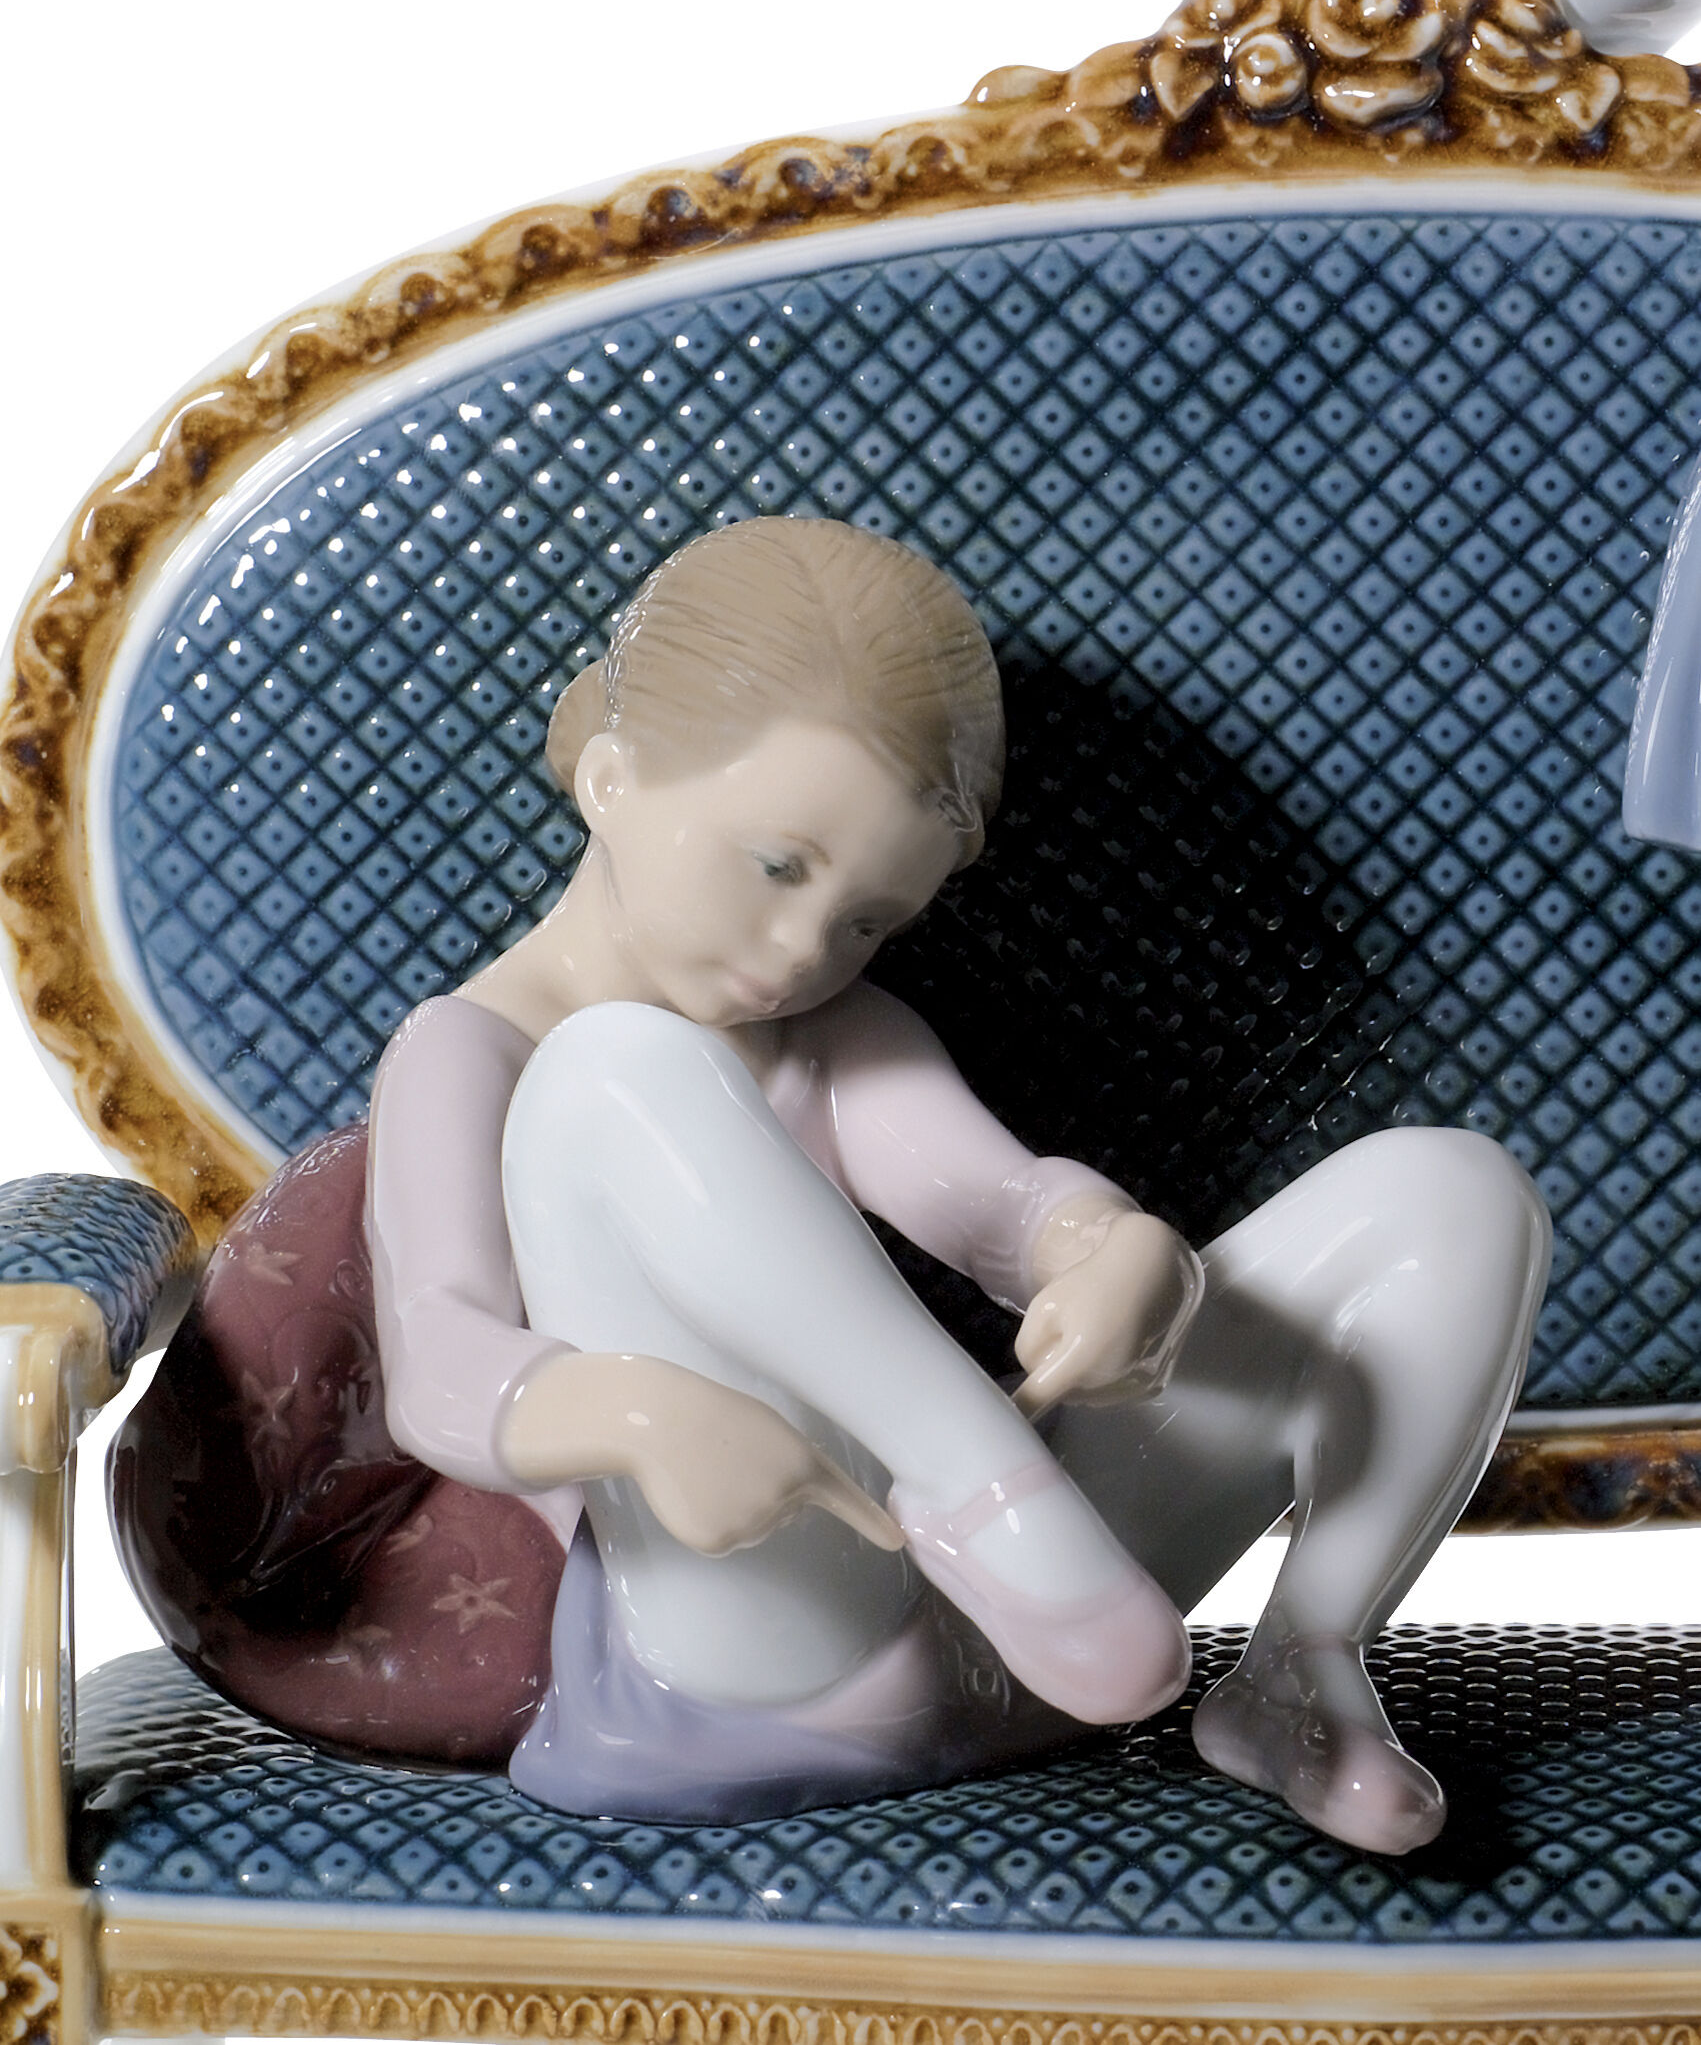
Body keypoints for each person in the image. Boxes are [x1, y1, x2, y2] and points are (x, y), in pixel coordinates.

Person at [116, 516, 1550, 1857]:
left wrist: (1113, 1251)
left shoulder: (841, 1037)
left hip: (1020, 1642)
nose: (804, 949)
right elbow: (441, 1372)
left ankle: (1301, 1671)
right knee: (616, 1063)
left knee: (1451, 1190)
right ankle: (984, 1492)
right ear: (613, 779)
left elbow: (1000, 1206)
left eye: (868, 918)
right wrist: (641, 1416)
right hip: (768, 1633)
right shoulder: (475, 1050)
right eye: (775, 866)